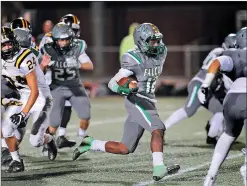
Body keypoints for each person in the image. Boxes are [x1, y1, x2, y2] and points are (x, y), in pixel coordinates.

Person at [72, 23, 180, 181]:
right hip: (137, 99)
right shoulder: (133, 58)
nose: (156, 45)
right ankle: (159, 168)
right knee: (158, 128)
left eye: (157, 41)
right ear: (141, 41)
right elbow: (113, 83)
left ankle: (91, 143)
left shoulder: (161, 51)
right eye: (152, 41)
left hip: (148, 100)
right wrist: (126, 88)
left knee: (125, 148)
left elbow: (156, 52)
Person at [163, 33, 236, 145]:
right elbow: (221, 75)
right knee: (189, 110)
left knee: (221, 111)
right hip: (200, 83)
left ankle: (212, 136)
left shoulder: (219, 52)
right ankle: (160, 130)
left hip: (211, 89)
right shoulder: (222, 54)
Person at [1, 27, 57, 172]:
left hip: (41, 98)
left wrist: (23, 114)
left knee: (35, 141)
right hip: (22, 96)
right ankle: (17, 161)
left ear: (15, 42)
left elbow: (34, 90)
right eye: (3, 45)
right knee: (6, 128)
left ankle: (50, 140)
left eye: (8, 43)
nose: (6, 47)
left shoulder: (25, 56)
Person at [197, 27, 247, 186]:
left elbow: (216, 62)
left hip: (231, 100)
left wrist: (205, 85)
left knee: (227, 136)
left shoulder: (233, 54)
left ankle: (210, 176)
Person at [39, 23, 93, 150]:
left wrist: (77, 64)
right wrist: (45, 65)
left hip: (75, 87)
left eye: (66, 39)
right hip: (57, 87)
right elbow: (40, 71)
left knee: (86, 115)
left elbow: (90, 65)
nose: (64, 42)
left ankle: (80, 139)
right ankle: (48, 144)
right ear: (56, 40)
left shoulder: (76, 48)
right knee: (54, 123)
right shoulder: (49, 49)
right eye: (61, 40)